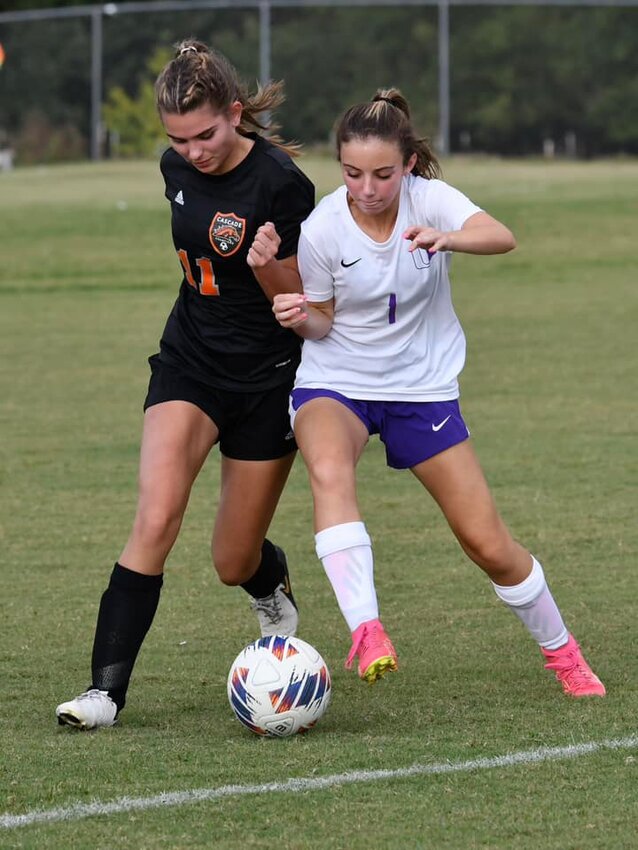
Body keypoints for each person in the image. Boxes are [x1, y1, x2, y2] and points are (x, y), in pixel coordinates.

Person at [272, 88, 605, 697]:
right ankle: (367, 629)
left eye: (382, 174)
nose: (366, 188)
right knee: (327, 469)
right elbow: (322, 319)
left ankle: (564, 655)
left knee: (487, 542)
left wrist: (447, 238)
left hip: (421, 389)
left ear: (407, 165)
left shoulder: (431, 199)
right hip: (336, 381)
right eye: (351, 174)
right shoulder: (323, 226)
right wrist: (300, 317)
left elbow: (500, 235)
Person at [55, 40, 315, 730]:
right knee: (156, 516)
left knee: (232, 560)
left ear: (235, 114)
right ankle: (103, 694)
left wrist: (268, 269)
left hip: (267, 379)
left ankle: (270, 584)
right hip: (189, 363)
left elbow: (303, 305)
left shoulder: (281, 183)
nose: (194, 151)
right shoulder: (172, 165)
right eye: (180, 139)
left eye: (206, 134)